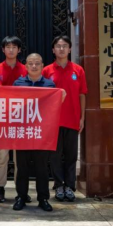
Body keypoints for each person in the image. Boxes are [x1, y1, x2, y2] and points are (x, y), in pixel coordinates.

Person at [13, 53, 66, 212]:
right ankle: (21, 196)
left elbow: (53, 107)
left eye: (37, 63)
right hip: (23, 131)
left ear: (42, 66)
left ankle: (43, 198)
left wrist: (61, 97)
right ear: (26, 66)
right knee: (22, 167)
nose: (34, 66)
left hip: (41, 133)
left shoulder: (50, 85)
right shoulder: (18, 84)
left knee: (41, 167)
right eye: (30, 63)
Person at [42, 35, 87, 202]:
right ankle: (58, 185)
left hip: (72, 119)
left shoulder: (78, 70)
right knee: (55, 155)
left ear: (69, 49)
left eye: (64, 46)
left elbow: (82, 94)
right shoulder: (47, 71)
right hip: (53, 121)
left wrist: (82, 117)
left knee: (71, 155)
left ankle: (70, 186)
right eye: (58, 46)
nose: (61, 49)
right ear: (53, 50)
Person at [0, 36, 27, 203]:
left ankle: (21, 190)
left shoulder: (25, 69)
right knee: (1, 155)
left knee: (21, 157)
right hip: (2, 119)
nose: (11, 50)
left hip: (21, 119)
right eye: (8, 47)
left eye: (14, 47)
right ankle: (0, 188)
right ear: (3, 49)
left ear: (19, 50)